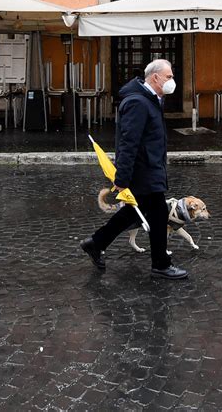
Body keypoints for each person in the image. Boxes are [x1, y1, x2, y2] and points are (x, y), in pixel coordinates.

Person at [80, 59, 188, 280]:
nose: (172, 81)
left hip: (150, 168)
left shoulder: (151, 99)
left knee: (132, 212)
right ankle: (160, 264)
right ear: (155, 77)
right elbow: (129, 142)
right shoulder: (139, 102)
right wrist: (122, 177)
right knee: (158, 215)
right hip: (143, 171)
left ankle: (96, 243)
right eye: (169, 77)